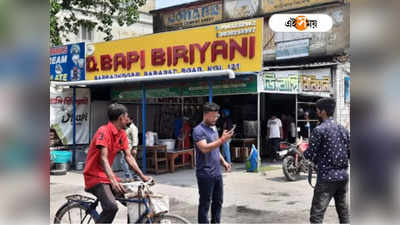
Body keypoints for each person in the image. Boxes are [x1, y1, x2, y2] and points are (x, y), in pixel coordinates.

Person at [83, 103, 150, 224]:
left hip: (107, 177)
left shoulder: (122, 133)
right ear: (121, 118)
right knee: (111, 207)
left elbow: (129, 157)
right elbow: (103, 158)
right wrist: (113, 180)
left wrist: (142, 176)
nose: (128, 120)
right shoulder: (103, 131)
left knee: (133, 201)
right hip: (94, 177)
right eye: (127, 117)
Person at [298, 98, 350, 224]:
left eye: (317, 111)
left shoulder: (319, 130)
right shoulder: (343, 130)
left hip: (326, 178)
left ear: (323, 112)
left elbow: (309, 155)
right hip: (343, 178)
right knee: (343, 214)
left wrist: (301, 148)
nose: (317, 113)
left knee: (316, 215)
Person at [192, 102, 233, 224]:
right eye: (214, 116)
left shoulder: (213, 129)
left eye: (217, 116)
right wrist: (221, 140)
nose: (216, 118)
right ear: (206, 115)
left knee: (218, 201)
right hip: (205, 173)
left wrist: (224, 161)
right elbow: (204, 148)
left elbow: (215, 148)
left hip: (216, 173)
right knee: (205, 203)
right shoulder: (198, 130)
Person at [118, 116, 139, 181]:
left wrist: (134, 148)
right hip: (125, 147)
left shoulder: (133, 128)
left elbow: (135, 138)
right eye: (125, 120)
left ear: (131, 120)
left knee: (124, 161)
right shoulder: (126, 127)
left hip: (130, 148)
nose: (126, 121)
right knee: (129, 162)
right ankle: (133, 176)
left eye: (127, 120)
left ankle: (129, 175)